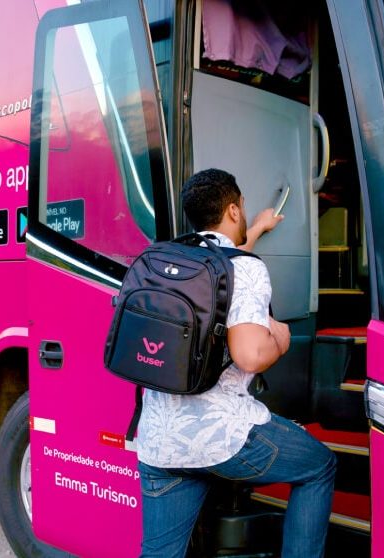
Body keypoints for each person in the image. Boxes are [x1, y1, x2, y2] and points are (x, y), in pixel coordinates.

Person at [136, 169, 336, 558]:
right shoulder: (245, 270)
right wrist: (279, 336)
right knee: (319, 466)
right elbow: (250, 355)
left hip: (159, 442)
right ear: (232, 209)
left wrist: (257, 229)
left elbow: (226, 265)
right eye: (243, 208)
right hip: (222, 439)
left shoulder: (167, 261)